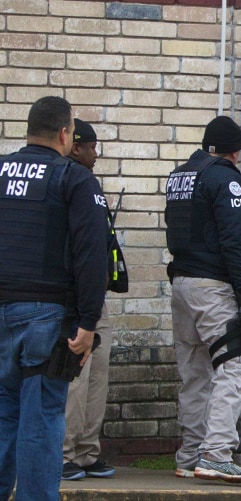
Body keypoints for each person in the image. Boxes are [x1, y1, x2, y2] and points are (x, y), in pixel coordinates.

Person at [0, 96, 108, 500]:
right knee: (42, 420)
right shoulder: (74, 178)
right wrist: (87, 322)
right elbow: (91, 253)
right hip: (46, 318)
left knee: (3, 415)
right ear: (65, 134)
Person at [165, 116, 241, 484]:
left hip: (182, 285)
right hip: (212, 289)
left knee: (195, 374)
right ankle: (217, 454)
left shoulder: (180, 176)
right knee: (232, 368)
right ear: (235, 151)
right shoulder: (225, 178)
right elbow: (235, 239)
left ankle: (190, 454)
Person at [62, 119, 121, 480]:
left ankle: (87, 451)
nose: (96, 154)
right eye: (92, 146)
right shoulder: (67, 180)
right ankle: (65, 453)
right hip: (75, 301)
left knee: (97, 377)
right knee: (75, 380)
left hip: (96, 299)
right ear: (74, 145)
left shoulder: (89, 183)